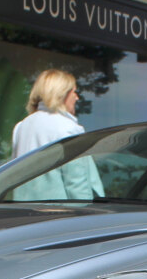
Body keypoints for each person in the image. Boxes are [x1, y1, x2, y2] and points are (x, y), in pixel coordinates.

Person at [9, 68, 102, 202]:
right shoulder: (68, 128)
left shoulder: (21, 127)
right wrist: (88, 213)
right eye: (74, 92)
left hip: (23, 212)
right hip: (60, 214)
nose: (77, 97)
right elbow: (77, 182)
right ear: (62, 93)